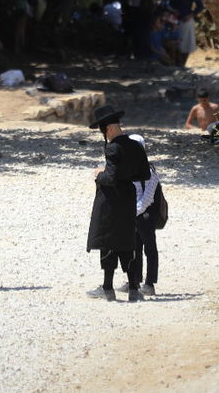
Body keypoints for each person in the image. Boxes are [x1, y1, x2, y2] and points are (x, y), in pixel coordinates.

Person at [86, 104, 150, 302]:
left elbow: (111, 178)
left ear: (110, 128)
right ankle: (133, 289)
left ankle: (107, 288)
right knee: (127, 242)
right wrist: (125, 175)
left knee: (108, 242)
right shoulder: (136, 146)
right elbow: (144, 174)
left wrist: (99, 175)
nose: (105, 135)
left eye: (104, 131)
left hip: (110, 201)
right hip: (128, 198)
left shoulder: (113, 148)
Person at [128, 133, 161, 296]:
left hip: (146, 215)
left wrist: (133, 212)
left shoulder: (149, 171)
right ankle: (134, 281)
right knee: (134, 248)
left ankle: (150, 283)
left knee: (149, 248)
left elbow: (147, 198)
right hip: (134, 214)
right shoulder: (129, 168)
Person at [167, 0, 204, 67]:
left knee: (186, 43)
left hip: (186, 20)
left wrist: (191, 15)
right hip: (174, 20)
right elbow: (169, 4)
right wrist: (173, 12)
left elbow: (200, 6)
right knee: (176, 42)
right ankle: (175, 63)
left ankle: (182, 64)